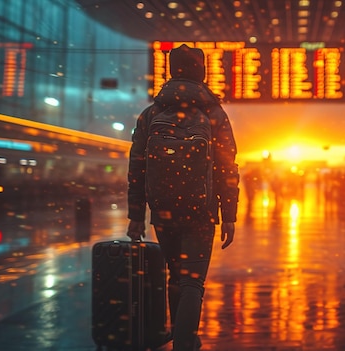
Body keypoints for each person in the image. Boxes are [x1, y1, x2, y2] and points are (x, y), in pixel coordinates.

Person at [126, 44, 239, 351]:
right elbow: (228, 166)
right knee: (192, 281)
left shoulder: (151, 114)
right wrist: (229, 213)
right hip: (201, 209)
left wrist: (136, 214)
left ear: (172, 72)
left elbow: (137, 166)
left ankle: (181, 335)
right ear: (201, 72)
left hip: (162, 207)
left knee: (175, 276)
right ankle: (185, 342)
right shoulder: (213, 114)